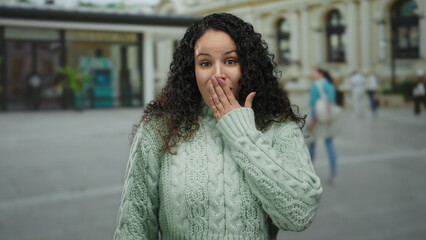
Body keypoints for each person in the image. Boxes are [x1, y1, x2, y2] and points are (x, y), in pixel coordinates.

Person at [113, 13, 322, 239]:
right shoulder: (160, 128)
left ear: (249, 67)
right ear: (192, 72)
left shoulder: (277, 126)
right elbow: (133, 228)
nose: (218, 75)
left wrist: (243, 133)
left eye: (230, 61)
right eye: (205, 63)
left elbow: (299, 215)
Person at [306, 69, 338, 185]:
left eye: (313, 73)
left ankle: (310, 173)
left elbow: (313, 103)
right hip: (327, 118)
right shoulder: (330, 85)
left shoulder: (315, 85)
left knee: (311, 145)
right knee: (329, 144)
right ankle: (333, 174)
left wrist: (312, 120)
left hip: (317, 119)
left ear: (320, 74)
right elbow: (332, 102)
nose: (311, 75)